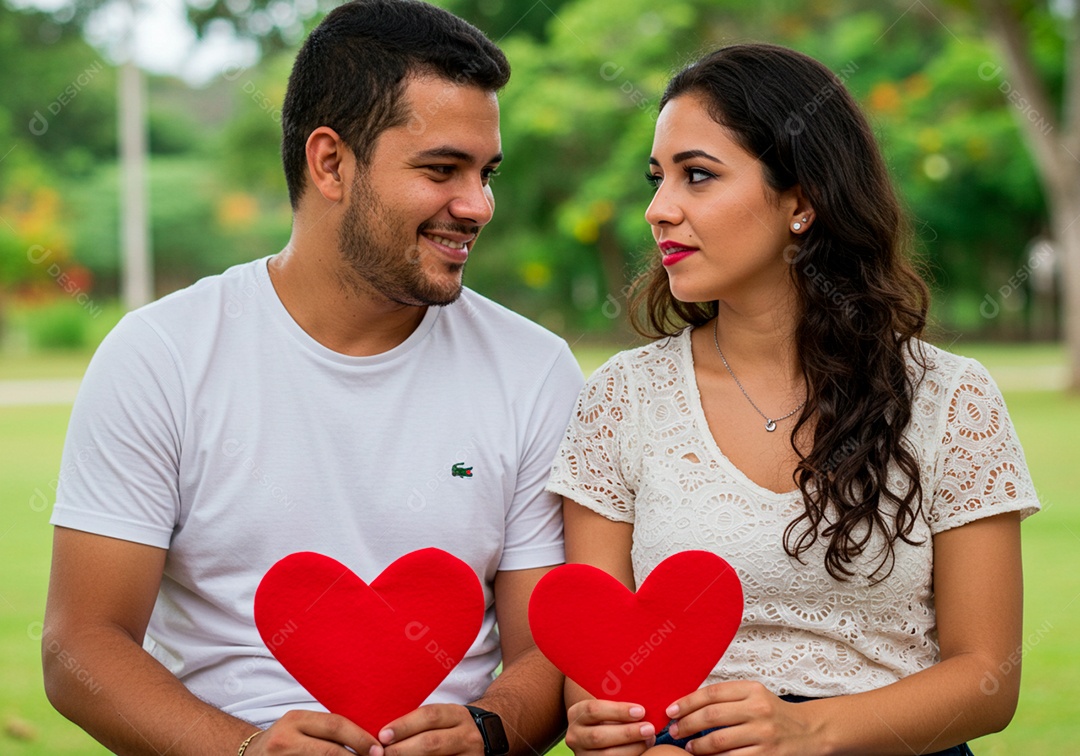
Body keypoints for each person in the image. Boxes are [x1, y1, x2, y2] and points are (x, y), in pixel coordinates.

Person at [42, 2, 582, 754]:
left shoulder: (533, 370)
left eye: (485, 173)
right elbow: (79, 647)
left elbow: (548, 649)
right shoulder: (160, 356)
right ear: (330, 162)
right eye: (441, 169)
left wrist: (486, 733)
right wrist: (246, 747)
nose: (478, 205)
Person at [547, 43, 1039, 756]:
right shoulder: (621, 398)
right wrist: (603, 724)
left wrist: (806, 731)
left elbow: (989, 676)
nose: (659, 209)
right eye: (657, 179)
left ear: (802, 201)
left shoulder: (948, 399)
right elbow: (596, 671)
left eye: (697, 177)